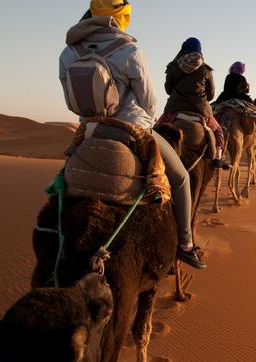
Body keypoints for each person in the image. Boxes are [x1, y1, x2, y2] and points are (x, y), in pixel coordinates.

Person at [58, 0, 206, 269]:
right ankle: (185, 245)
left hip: (90, 130)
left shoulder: (68, 53)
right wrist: (143, 128)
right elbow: (148, 100)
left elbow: (70, 99)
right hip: (132, 126)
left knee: (62, 178)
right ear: (122, 16)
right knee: (182, 177)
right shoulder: (129, 49)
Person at [158, 37, 231, 170]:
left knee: (156, 129)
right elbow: (211, 95)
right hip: (201, 111)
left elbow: (168, 89)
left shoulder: (174, 66)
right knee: (218, 131)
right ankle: (218, 157)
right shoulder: (206, 70)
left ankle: (149, 154)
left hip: (174, 109)